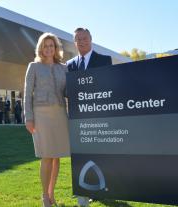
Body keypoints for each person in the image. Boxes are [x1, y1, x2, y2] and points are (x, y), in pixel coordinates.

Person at [66, 27, 112, 207]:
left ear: (91, 39)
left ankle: (100, 188)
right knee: (83, 154)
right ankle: (86, 189)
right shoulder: (70, 64)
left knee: (100, 153)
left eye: (84, 38)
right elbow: (69, 91)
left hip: (100, 115)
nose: (82, 41)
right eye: (78, 39)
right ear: (74, 42)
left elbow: (109, 86)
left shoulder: (104, 60)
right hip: (79, 118)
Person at [24, 32, 70, 207]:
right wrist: (28, 118)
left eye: (52, 45)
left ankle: (52, 195)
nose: (49, 49)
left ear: (56, 48)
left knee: (56, 156)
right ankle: (45, 196)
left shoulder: (63, 68)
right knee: (46, 155)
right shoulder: (33, 66)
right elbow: (27, 95)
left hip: (60, 113)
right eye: (46, 45)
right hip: (41, 114)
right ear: (41, 48)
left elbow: (68, 91)